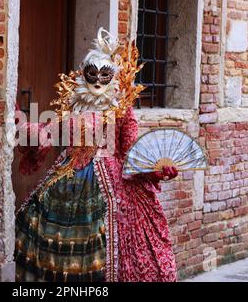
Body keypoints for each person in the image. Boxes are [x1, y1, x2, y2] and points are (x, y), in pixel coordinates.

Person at [14, 28, 178, 282]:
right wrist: (20, 124)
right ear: (83, 75)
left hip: (109, 181)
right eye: (93, 74)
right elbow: (48, 133)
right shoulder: (72, 107)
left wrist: (156, 169)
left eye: (105, 75)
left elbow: (132, 150)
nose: (98, 81)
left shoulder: (121, 110)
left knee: (110, 241)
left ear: (113, 78)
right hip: (67, 176)